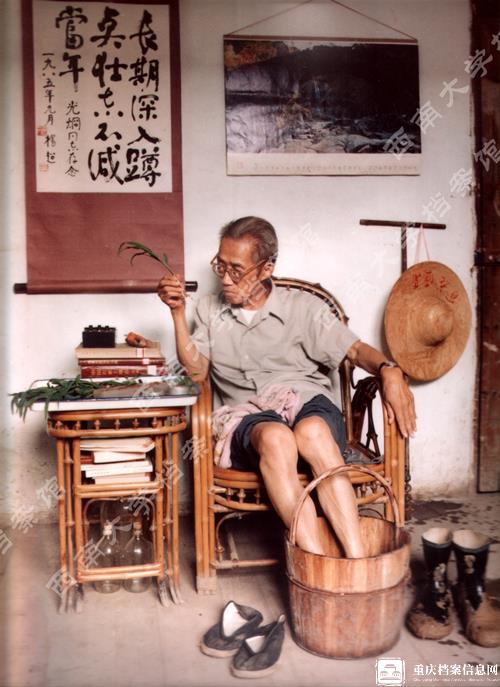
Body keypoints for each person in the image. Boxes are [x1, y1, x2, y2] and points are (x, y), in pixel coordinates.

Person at [158, 216, 416, 558]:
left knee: (312, 433)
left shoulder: (303, 308)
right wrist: (178, 315)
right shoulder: (209, 310)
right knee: (276, 438)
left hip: (307, 402)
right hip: (248, 415)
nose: (225, 278)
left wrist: (389, 370)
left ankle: (356, 560)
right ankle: (318, 562)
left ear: (267, 268)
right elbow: (196, 371)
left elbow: (353, 350)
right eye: (220, 265)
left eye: (237, 270)